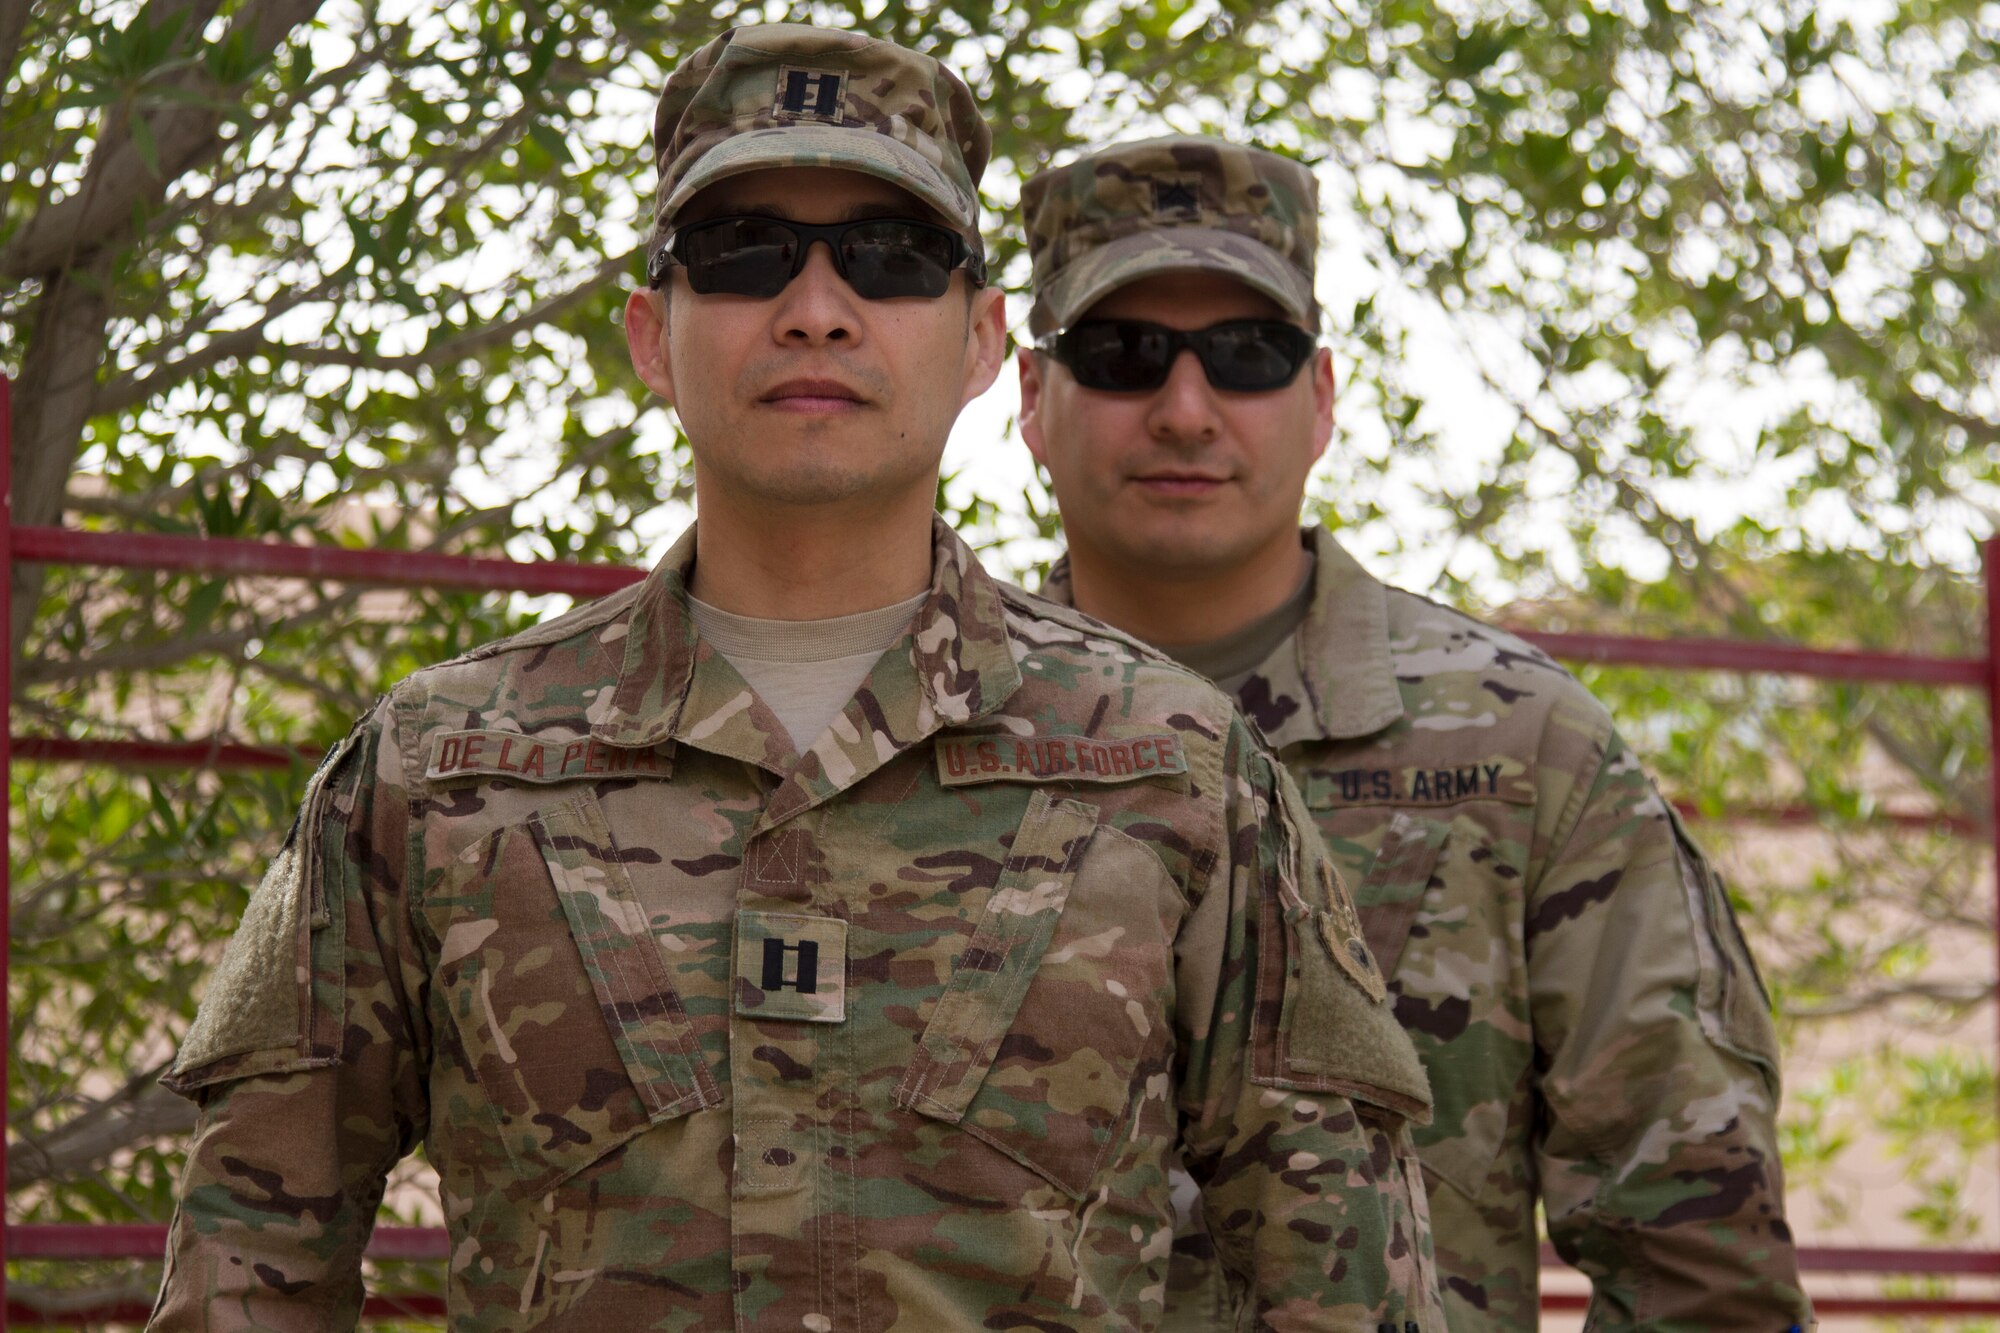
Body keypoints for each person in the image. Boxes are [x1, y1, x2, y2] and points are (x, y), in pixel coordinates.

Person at [147, 31, 1446, 1332]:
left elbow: (1342, 1278)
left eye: (888, 259)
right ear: (654, 337)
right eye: (745, 253)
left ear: (985, 341)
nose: (816, 306)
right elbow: (247, 1263)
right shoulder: (437, 770)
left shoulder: (1177, 764)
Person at [1015, 134, 1813, 1333]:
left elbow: (1696, 1254)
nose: (1186, 410)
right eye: (1123, 357)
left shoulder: (1518, 747)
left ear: (1321, 397)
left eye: (1247, 355)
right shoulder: (935, 731)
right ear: (1031, 397)